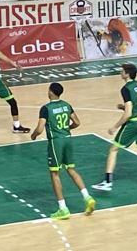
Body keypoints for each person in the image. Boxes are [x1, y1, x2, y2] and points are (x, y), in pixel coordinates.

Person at [92, 63, 137, 194]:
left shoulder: (126, 89)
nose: (120, 73)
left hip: (133, 124)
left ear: (127, 74)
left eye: (122, 71)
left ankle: (107, 182)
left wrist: (115, 127)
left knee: (113, 149)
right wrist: (123, 107)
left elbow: (128, 114)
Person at [29, 83, 98, 220]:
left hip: (56, 142)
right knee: (71, 169)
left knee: (54, 173)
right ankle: (87, 197)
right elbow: (77, 122)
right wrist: (66, 129)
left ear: (51, 92)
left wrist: (34, 135)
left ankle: (63, 209)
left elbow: (40, 128)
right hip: (68, 139)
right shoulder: (67, 105)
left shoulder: (46, 108)